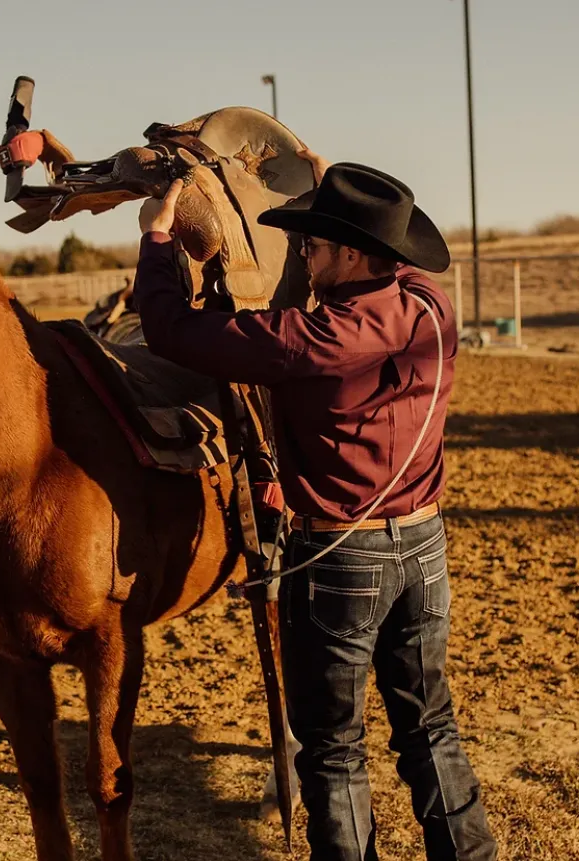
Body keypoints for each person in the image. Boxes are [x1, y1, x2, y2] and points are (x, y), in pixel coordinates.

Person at [133, 154, 497, 861]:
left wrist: (156, 240)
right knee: (430, 727)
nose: (302, 252)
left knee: (333, 748)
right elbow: (389, 258)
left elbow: (170, 330)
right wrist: (334, 188)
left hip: (341, 562)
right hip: (425, 550)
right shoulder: (430, 304)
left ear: (353, 255)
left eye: (314, 243)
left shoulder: (312, 339)